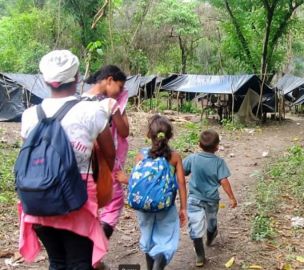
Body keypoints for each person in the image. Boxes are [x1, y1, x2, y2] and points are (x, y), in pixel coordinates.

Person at [18, 50, 115, 269]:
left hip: (37, 197)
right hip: (76, 196)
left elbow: (30, 155)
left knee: (57, 261)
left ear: (46, 80)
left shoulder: (29, 114)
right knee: (80, 261)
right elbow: (110, 154)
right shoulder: (93, 110)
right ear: (78, 77)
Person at [119, 115, 187, 270]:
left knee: (148, 237)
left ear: (148, 135)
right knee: (166, 239)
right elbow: (181, 183)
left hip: (144, 206)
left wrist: (125, 179)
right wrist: (183, 208)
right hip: (165, 206)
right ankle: (159, 264)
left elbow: (138, 183)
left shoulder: (141, 155)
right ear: (169, 136)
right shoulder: (174, 157)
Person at [84, 65, 129, 239]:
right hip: (103, 164)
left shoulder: (78, 100)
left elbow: (124, 132)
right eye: (120, 86)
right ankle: (95, 253)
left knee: (91, 207)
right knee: (113, 203)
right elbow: (123, 132)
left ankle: (92, 255)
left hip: (84, 165)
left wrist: (115, 107)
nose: (121, 91)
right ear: (109, 80)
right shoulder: (88, 103)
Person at [183, 129, 237, 267]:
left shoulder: (193, 158)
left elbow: (182, 171)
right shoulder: (219, 162)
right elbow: (224, 181)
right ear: (217, 146)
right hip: (212, 200)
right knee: (211, 222)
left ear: (199, 144)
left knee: (195, 226)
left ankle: (200, 254)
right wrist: (231, 197)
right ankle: (210, 237)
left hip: (194, 198)